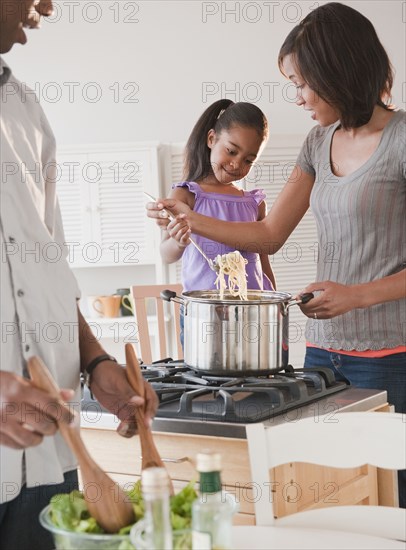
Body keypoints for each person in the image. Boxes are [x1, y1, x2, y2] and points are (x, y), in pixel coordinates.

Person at [147, 2, 406, 506]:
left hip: (391, 357)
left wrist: (357, 295)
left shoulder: (401, 139)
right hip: (324, 355)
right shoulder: (316, 142)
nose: (298, 96)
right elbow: (267, 235)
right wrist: (189, 215)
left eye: (302, 82)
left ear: (339, 70)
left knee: (394, 501)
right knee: (329, 497)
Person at [0, 2, 158, 548]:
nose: (47, 5)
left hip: (52, 461)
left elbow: (48, 270)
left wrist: (95, 361)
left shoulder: (24, 109)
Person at [160, 99, 276, 295]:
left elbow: (263, 263)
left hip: (251, 308)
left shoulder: (254, 203)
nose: (236, 164)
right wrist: (179, 243)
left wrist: (274, 297)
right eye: (231, 151)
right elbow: (166, 254)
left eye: (249, 160)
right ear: (211, 139)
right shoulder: (186, 194)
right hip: (204, 310)